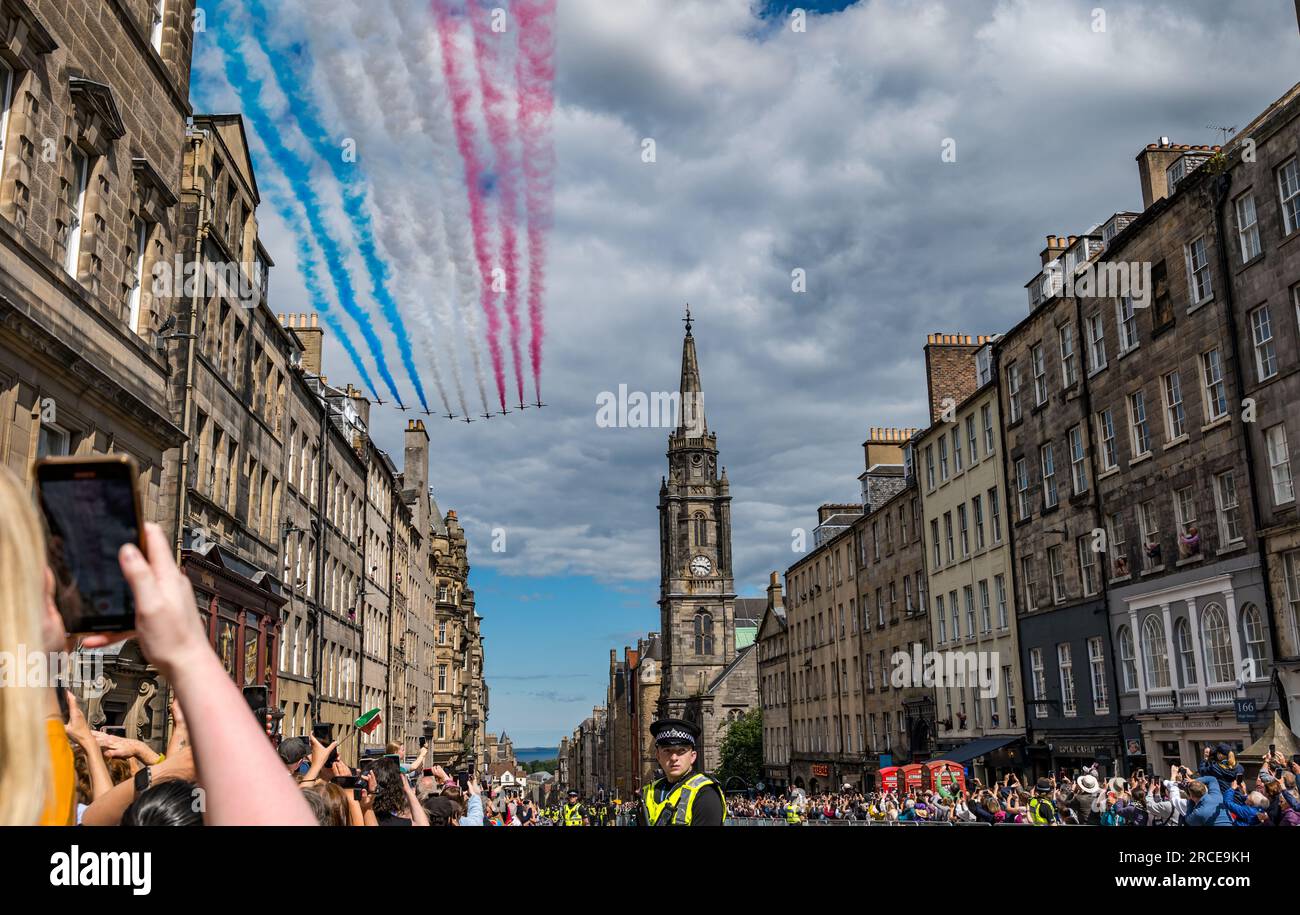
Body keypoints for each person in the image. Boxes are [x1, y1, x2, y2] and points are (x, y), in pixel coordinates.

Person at [636, 718, 726, 826]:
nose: (674, 757)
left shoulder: (705, 793)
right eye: (667, 750)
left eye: (681, 751)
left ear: (693, 757)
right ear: (658, 756)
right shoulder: (648, 792)